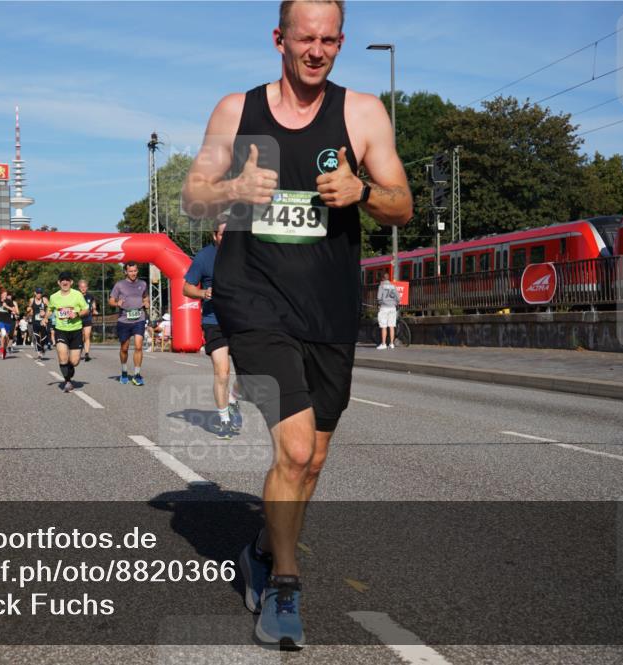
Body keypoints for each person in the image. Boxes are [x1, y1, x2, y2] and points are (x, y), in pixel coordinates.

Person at [180, 0, 412, 648]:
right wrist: (232, 189)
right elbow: (193, 192)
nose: (316, 51)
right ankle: (285, 585)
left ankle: (261, 545)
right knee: (297, 448)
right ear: (278, 38)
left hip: (329, 308)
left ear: (341, 41)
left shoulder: (362, 113)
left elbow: (404, 203)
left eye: (329, 40)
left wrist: (363, 192)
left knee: (313, 462)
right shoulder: (237, 110)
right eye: (304, 39)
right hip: (252, 299)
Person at [183, 214, 243, 439]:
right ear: (214, 235)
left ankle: (233, 399)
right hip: (214, 322)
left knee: (249, 373)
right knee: (222, 372)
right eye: (222, 234)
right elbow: (186, 288)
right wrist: (203, 292)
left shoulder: (244, 254)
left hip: (240, 321)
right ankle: (224, 420)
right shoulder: (204, 257)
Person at [48, 271, 90, 393]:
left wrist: (76, 314)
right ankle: (67, 381)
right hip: (61, 330)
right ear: (59, 282)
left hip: (76, 330)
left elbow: (86, 310)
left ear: (71, 282)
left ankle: (69, 369)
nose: (65, 282)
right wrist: (45, 317)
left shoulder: (77, 295)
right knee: (62, 357)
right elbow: (50, 309)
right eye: (62, 280)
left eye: (67, 280)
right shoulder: (53, 297)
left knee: (75, 361)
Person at [108, 261, 149, 385]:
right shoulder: (119, 285)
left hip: (139, 318)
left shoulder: (143, 284)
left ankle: (137, 374)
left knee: (138, 346)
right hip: (124, 320)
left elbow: (145, 297)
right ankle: (124, 371)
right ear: (126, 272)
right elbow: (111, 301)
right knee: (124, 348)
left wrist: (146, 303)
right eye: (130, 271)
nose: (133, 273)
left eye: (135, 271)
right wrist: (116, 304)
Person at [376, 273, 399, 349]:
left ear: (382, 278)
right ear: (388, 278)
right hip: (392, 308)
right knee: (392, 326)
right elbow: (398, 298)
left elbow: (379, 298)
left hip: (384, 308)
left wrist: (379, 304)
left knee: (384, 326)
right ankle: (392, 344)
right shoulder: (393, 286)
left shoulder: (381, 286)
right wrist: (395, 304)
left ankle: (383, 344)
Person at [78, 279, 99, 361]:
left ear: (87, 287)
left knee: (87, 335)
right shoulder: (77, 296)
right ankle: (79, 352)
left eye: (85, 287)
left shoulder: (90, 296)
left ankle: (87, 353)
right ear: (79, 288)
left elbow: (93, 305)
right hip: (78, 319)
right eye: (81, 287)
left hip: (88, 318)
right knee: (80, 337)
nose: (83, 288)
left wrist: (94, 310)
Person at [0, 289, 20, 359]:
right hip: (0, 320)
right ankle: (2, 349)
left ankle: (4, 349)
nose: (5, 296)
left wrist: (6, 306)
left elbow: (15, 310)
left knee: (7, 337)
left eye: (6, 295)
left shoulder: (9, 301)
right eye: (4, 295)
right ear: (1, 295)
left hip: (8, 321)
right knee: (3, 334)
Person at [29, 287, 50, 360]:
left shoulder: (44, 300)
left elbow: (50, 308)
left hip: (43, 321)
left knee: (43, 338)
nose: (39, 295)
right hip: (35, 321)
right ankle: (39, 354)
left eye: (40, 293)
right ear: (35, 293)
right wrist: (29, 309)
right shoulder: (32, 300)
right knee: (37, 337)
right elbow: (29, 308)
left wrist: (45, 315)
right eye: (38, 293)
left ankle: (43, 348)